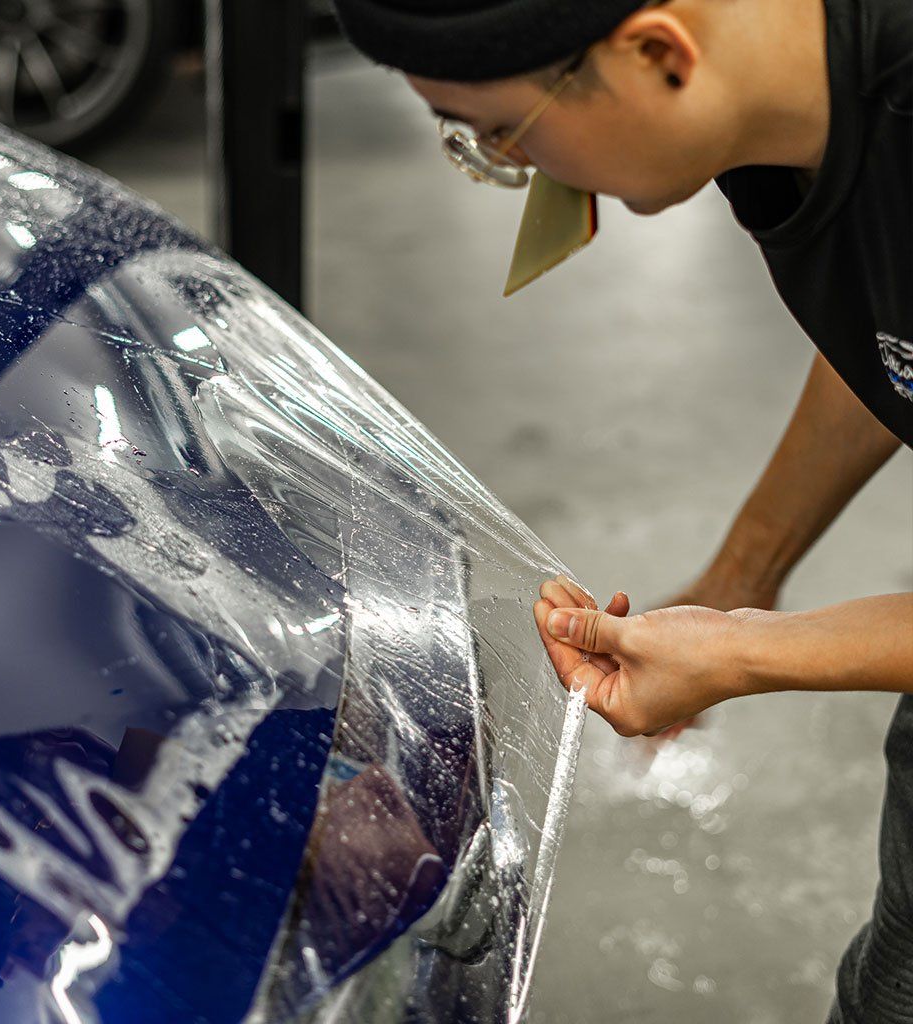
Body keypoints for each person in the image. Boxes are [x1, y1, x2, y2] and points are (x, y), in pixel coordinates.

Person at [330, 0, 911, 1018]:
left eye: (505, 134)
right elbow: (895, 324)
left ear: (655, 51)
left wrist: (745, 650)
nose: (523, 175)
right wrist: (742, 574)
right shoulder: (779, 101)